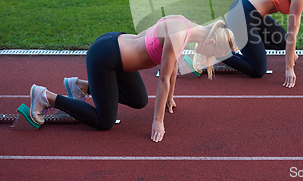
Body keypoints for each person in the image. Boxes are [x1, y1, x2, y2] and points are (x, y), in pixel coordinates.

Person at [28, 16, 236, 143]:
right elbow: (163, 79)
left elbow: (173, 66)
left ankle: (80, 86)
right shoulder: (179, 35)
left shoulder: (186, 26)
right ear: (210, 40)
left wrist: (170, 98)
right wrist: (158, 122)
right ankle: (45, 97)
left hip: (114, 46)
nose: (209, 58)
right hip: (106, 58)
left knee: (139, 100)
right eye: (212, 54)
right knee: (104, 121)